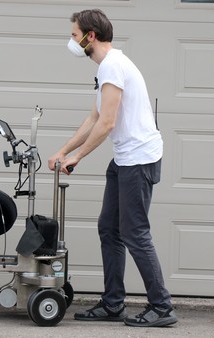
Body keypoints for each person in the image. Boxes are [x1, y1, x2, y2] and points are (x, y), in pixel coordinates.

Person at [48, 9, 177, 327]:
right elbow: (93, 117)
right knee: (109, 229)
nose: (72, 40)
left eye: (74, 34)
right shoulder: (109, 66)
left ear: (90, 36)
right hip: (124, 159)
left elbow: (107, 123)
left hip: (138, 159)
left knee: (135, 233)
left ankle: (161, 307)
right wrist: (63, 150)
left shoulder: (112, 66)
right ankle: (113, 303)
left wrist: (78, 157)